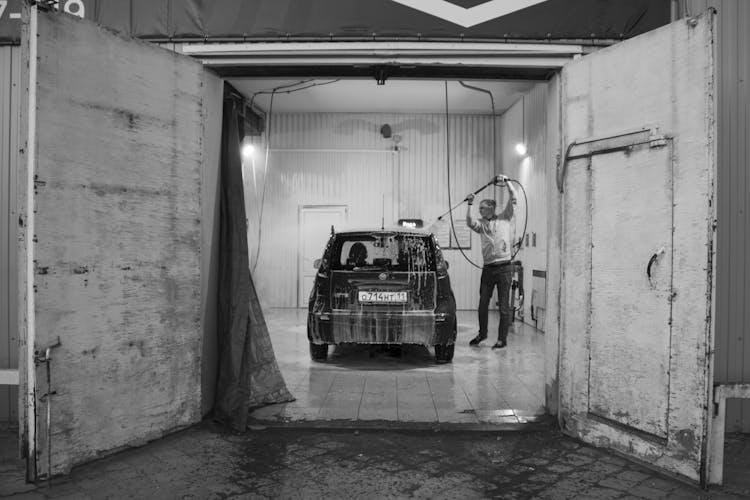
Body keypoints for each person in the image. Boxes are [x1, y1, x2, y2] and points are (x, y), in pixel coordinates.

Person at [466, 175, 518, 349]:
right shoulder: (481, 225)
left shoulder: (505, 217)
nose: (480, 210)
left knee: (504, 306)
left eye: (482, 207)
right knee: (482, 304)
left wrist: (507, 181)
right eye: (479, 208)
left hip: (504, 268)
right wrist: (470, 204)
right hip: (488, 269)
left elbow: (513, 196)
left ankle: (502, 339)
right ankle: (482, 334)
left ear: (491, 208)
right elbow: (469, 222)